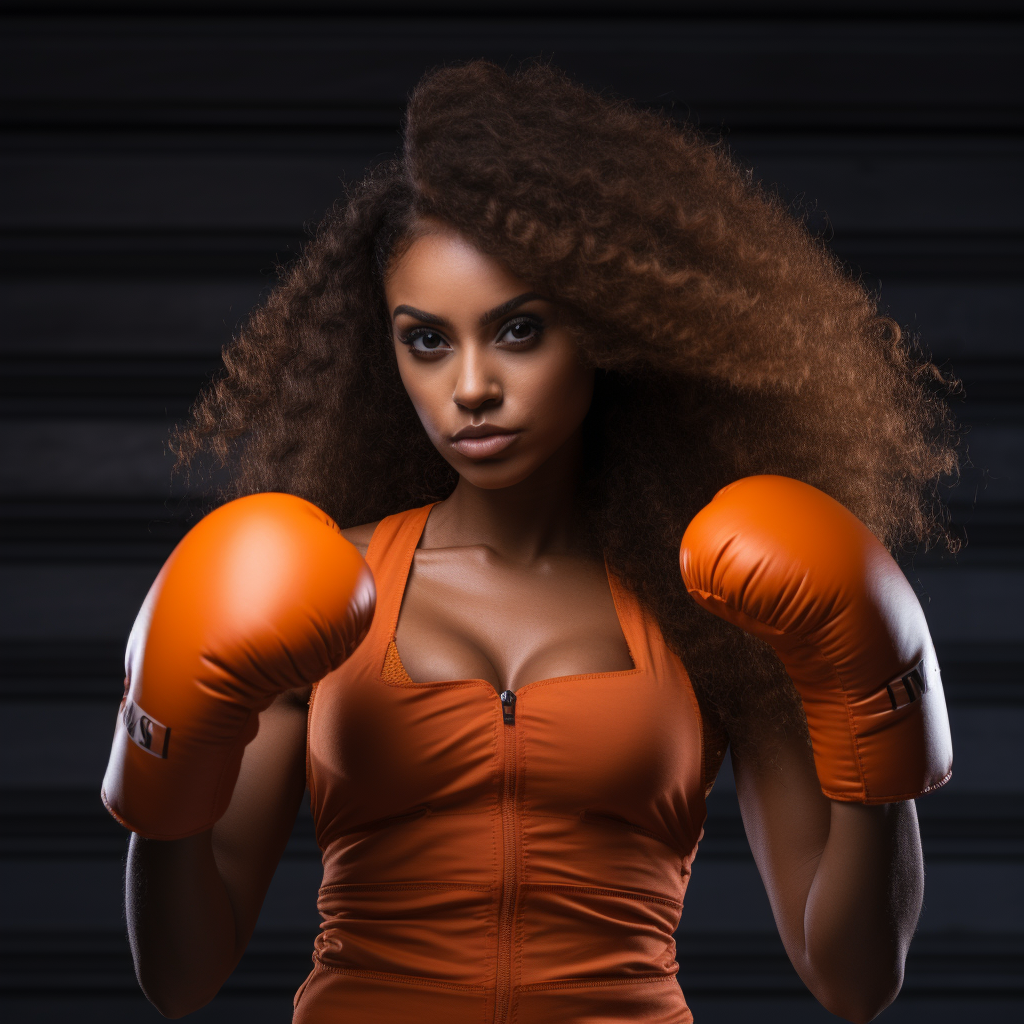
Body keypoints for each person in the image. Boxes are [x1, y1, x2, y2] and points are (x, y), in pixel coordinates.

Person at [100, 61, 958, 1023]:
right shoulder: (319, 580)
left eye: (517, 331)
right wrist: (161, 758)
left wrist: (875, 716)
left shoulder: (709, 600)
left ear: (603, 331)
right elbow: (180, 977)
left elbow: (854, 980)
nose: (471, 386)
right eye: (427, 340)